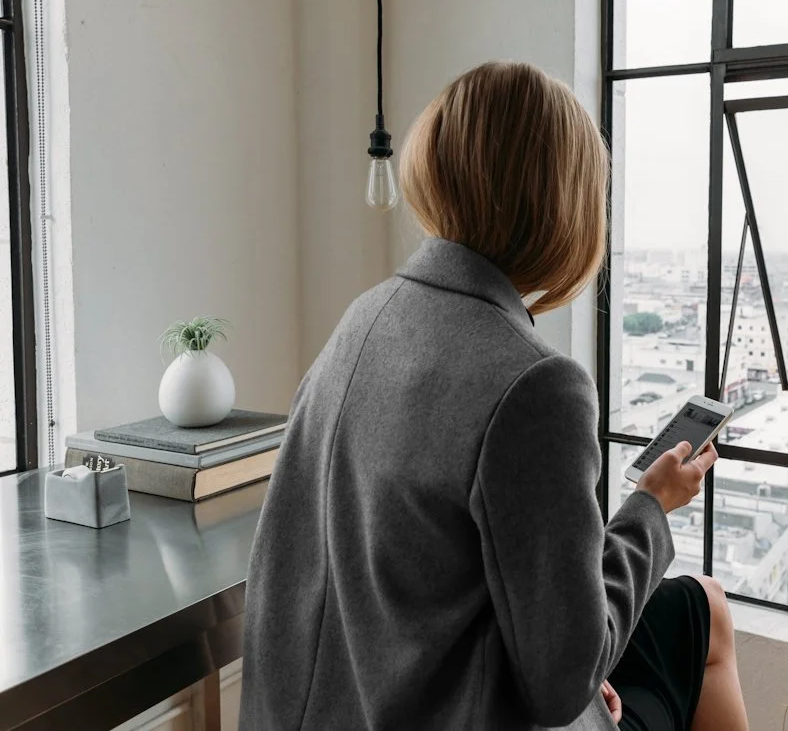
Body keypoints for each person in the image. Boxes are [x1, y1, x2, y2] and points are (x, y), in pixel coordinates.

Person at [239, 61, 749, 731]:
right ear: (564, 205)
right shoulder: (536, 385)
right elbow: (562, 683)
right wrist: (653, 505)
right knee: (706, 615)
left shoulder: (364, 316)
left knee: (701, 605)